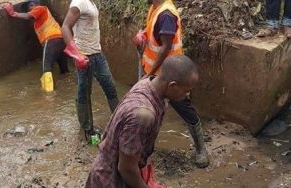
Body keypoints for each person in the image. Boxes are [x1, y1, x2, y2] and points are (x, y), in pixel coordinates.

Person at [85, 55, 199, 188]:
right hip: (110, 180)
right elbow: (126, 169)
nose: (188, 95)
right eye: (186, 91)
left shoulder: (147, 83)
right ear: (172, 86)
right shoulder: (143, 115)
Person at [132, 0, 209, 168]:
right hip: (155, 73)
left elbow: (166, 46)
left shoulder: (166, 14)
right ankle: (144, 149)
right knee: (151, 112)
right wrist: (143, 34)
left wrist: (150, 74)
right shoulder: (155, 7)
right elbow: (156, 37)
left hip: (170, 76)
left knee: (184, 109)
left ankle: (201, 149)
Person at [61, 0, 119, 140]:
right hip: (84, 55)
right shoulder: (79, 2)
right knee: (84, 92)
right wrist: (76, 54)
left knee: (110, 87)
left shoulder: (91, 2)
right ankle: (88, 130)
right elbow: (65, 27)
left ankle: (120, 123)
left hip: (97, 54)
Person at [2, 0, 69, 92]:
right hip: (61, 40)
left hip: (51, 40)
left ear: (36, 4)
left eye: (30, 6)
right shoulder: (40, 20)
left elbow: (28, 16)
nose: (29, 9)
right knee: (64, 69)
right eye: (28, 8)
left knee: (46, 68)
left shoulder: (40, 8)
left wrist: (14, 13)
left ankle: (49, 95)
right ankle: (67, 87)